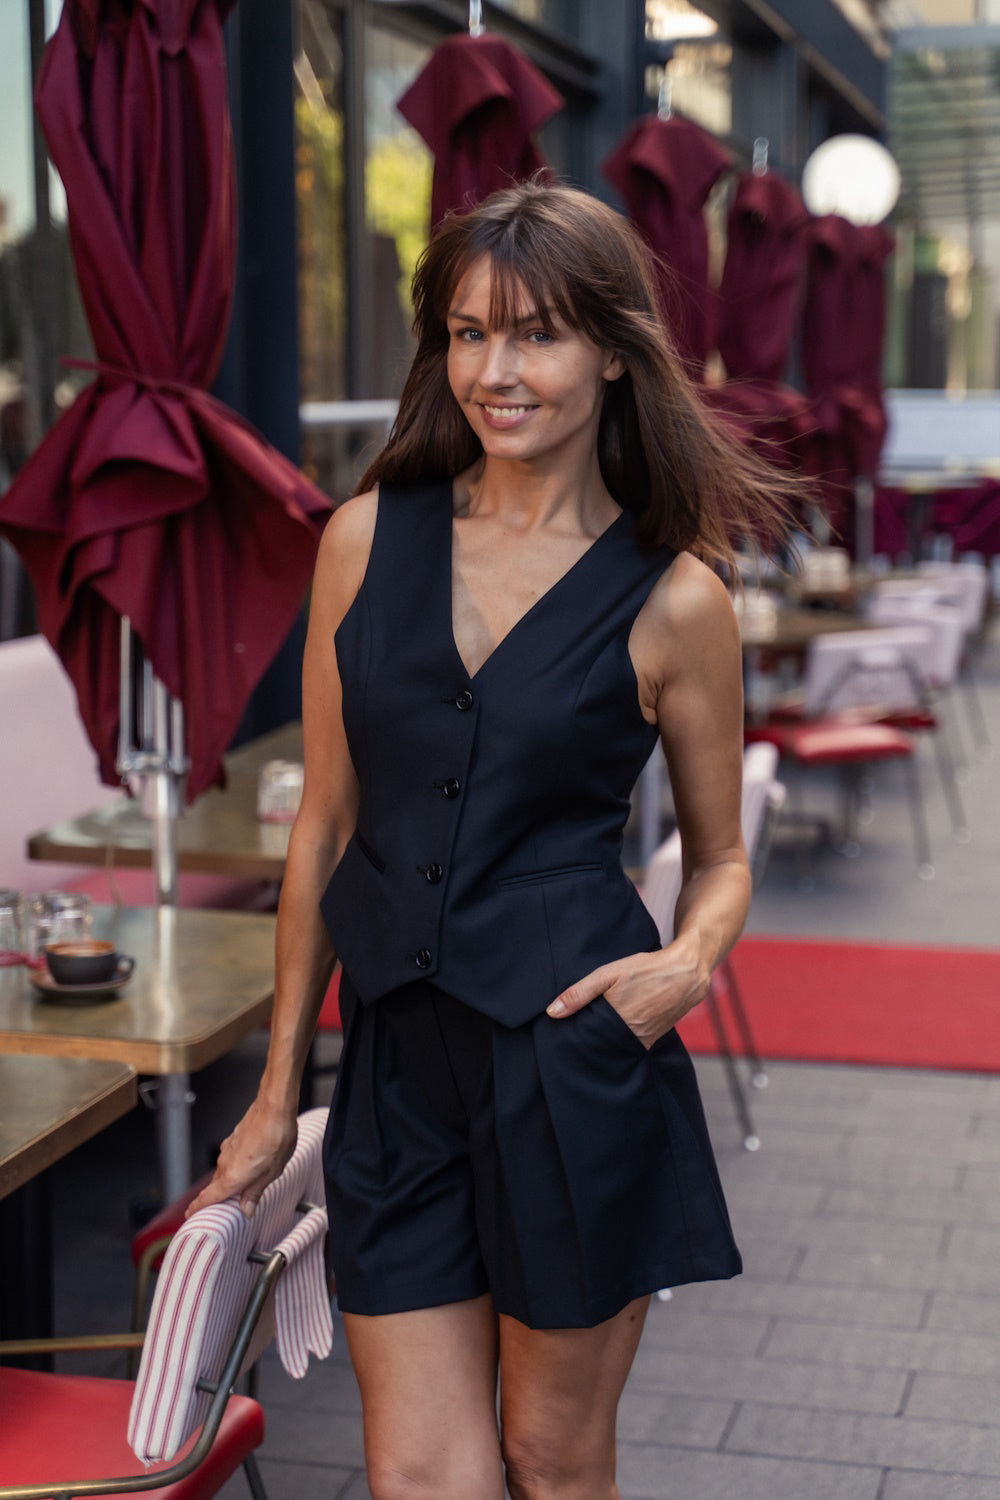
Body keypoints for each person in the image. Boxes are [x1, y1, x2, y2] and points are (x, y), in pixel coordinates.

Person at [189, 179, 796, 1500]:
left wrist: (687, 965)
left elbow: (723, 855)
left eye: (533, 335)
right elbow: (324, 827)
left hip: (574, 1059)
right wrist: (275, 1090)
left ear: (614, 352)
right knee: (422, 1478)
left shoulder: (676, 594)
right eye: (467, 334)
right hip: (397, 1066)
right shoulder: (363, 540)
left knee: (550, 1461)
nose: (494, 370)